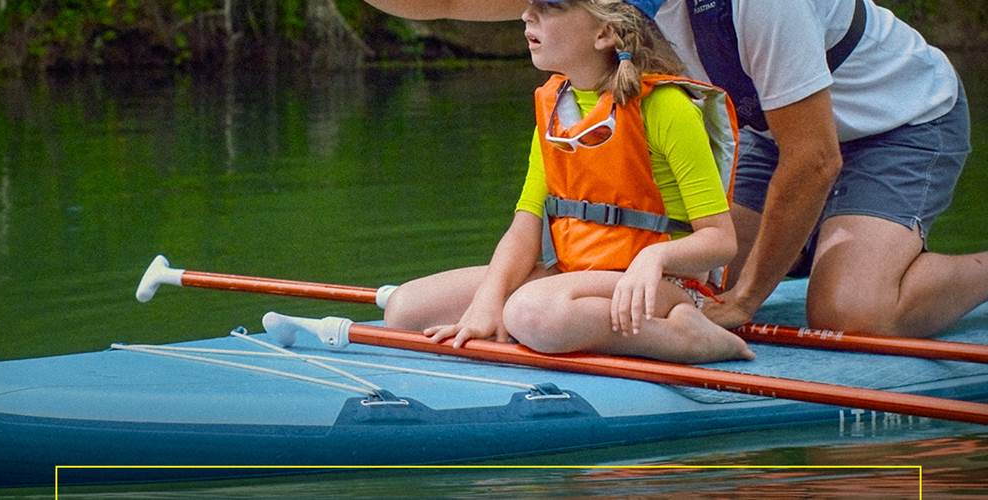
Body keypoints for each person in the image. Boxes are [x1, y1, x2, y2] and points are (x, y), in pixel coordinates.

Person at [367, 0, 988, 338]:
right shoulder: (598, 9)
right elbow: (444, 2)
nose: (534, 15)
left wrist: (746, 300)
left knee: (851, 313)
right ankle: (823, 246)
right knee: (703, 272)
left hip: (899, 124)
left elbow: (817, 158)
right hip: (771, 130)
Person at [383, 0, 755, 363]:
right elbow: (525, 226)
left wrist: (654, 257)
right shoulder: (555, 108)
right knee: (404, 310)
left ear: (605, 32)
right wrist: (487, 302)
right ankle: (559, 323)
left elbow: (720, 241)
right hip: (572, 276)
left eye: (551, 5)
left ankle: (687, 335)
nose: (528, 14)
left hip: (660, 287)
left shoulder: (666, 107)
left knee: (530, 312)